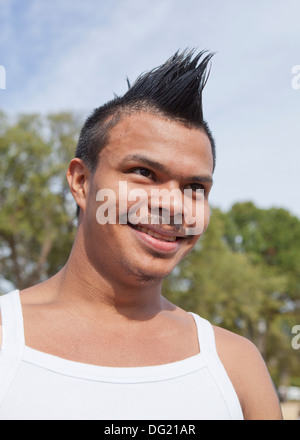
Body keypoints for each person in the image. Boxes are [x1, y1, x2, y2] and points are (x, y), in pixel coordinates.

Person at [0, 50, 282, 420]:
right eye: (144, 173)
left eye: (195, 186)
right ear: (82, 182)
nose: (174, 205)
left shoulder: (235, 365)